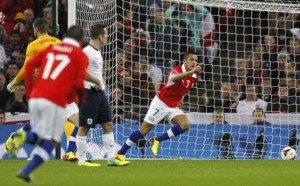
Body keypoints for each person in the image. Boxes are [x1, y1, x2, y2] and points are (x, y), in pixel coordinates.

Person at [9, 25, 89, 183]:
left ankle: (23, 146)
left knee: (76, 125)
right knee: (50, 140)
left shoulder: (49, 50)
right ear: (81, 40)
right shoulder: (78, 55)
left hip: (41, 93)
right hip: (56, 98)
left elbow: (29, 66)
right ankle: (22, 139)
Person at [115, 51, 201, 164]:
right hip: (161, 103)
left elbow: (184, 88)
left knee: (185, 125)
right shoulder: (177, 70)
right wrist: (191, 71)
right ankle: (120, 154)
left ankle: (157, 140)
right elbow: (174, 79)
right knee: (144, 130)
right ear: (184, 61)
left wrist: (182, 97)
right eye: (191, 59)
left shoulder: (194, 77)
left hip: (173, 105)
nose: (194, 62)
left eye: (195, 60)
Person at [76, 23, 127, 167]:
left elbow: (96, 74)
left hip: (100, 93)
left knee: (108, 124)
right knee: (84, 127)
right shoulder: (87, 52)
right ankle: (82, 159)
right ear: (99, 36)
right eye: (105, 34)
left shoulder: (97, 52)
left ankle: (111, 158)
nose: (107, 36)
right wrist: (96, 81)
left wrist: (102, 84)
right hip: (88, 93)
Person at [6, 18, 61, 93]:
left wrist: (13, 82)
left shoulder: (33, 45)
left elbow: (26, 68)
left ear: (36, 29)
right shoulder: (59, 42)